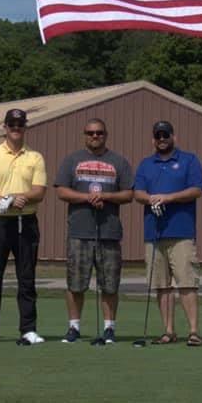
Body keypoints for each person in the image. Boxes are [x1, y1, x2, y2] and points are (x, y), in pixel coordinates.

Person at [54, 118, 134, 344]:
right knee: (75, 283)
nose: (95, 136)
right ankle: (74, 327)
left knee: (109, 284)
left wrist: (106, 196)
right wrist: (87, 198)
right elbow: (61, 191)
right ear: (85, 135)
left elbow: (128, 194)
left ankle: (109, 328)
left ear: (105, 135)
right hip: (79, 232)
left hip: (109, 232)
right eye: (90, 133)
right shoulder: (72, 160)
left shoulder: (118, 161)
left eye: (99, 132)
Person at [0, 108, 48, 344]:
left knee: (26, 277)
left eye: (20, 124)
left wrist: (17, 197)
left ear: (25, 127)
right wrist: (4, 200)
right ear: (5, 127)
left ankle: (28, 328)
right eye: (12, 124)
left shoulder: (35, 157)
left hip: (25, 220)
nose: (16, 128)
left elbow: (39, 191)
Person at [133, 120, 202, 347]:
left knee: (186, 282)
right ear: (153, 139)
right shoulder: (146, 164)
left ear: (174, 137)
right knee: (161, 285)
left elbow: (196, 190)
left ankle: (193, 331)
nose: (162, 139)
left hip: (181, 232)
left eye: (166, 135)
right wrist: (151, 199)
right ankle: (168, 331)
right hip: (154, 234)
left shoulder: (189, 160)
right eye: (158, 136)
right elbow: (138, 193)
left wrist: (168, 198)